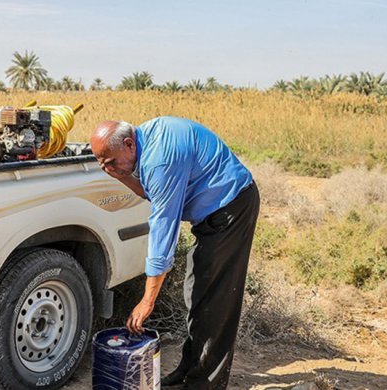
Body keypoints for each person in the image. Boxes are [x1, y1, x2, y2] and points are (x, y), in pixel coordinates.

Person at [90, 116, 260, 389]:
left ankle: (205, 383)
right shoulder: (146, 142)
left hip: (231, 208)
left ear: (128, 144)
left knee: (215, 302)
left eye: (109, 161)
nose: (105, 167)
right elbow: (153, 193)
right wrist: (120, 175)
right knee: (196, 293)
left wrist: (148, 300)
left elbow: (163, 229)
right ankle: (188, 370)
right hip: (213, 215)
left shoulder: (160, 159)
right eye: (100, 161)